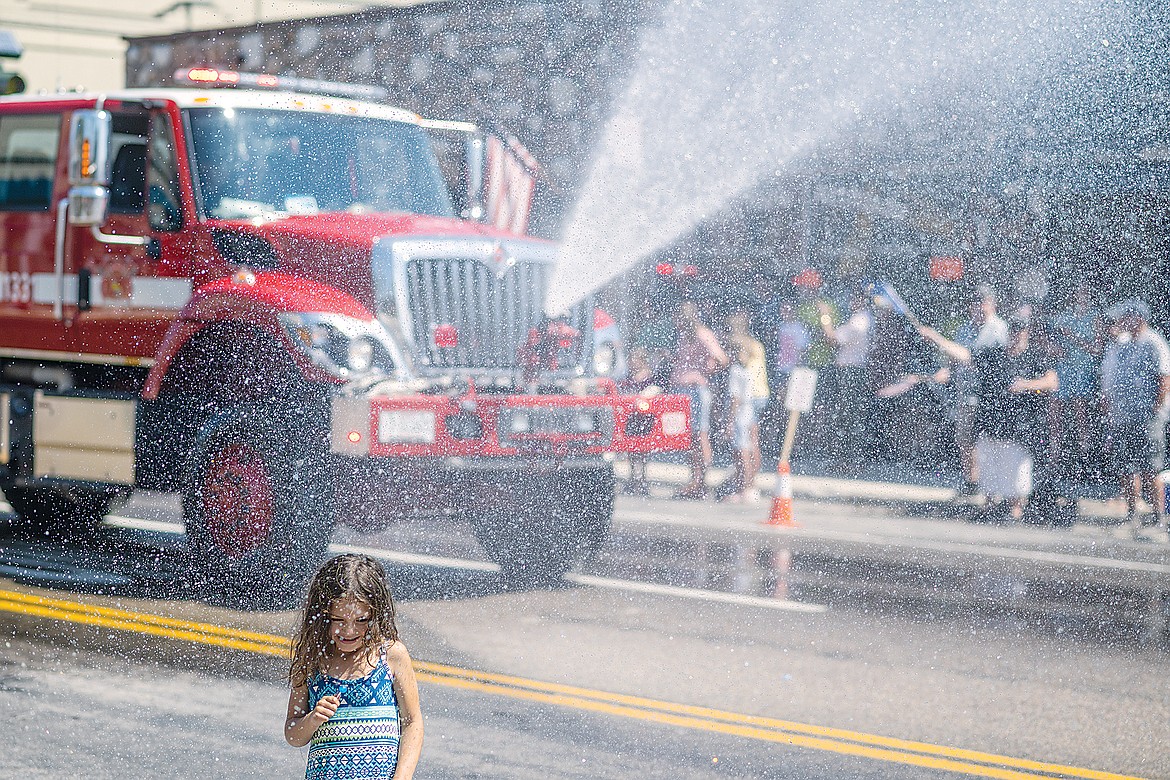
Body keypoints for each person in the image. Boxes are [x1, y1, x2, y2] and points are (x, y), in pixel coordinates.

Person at [286, 554, 423, 780]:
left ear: (376, 615)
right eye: (338, 620)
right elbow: (293, 734)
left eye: (361, 620)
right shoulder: (312, 661)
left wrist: (402, 777)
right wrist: (313, 719)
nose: (349, 631)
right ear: (321, 616)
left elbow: (412, 722)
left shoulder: (391, 655)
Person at [917, 286, 1009, 493]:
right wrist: (945, 371)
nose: (980, 307)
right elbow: (955, 359)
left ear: (992, 304)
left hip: (988, 395)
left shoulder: (999, 329)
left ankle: (991, 484)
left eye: (984, 302)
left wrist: (936, 338)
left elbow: (971, 356)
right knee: (965, 438)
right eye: (976, 303)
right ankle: (972, 481)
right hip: (964, 393)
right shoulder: (964, 329)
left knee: (989, 441)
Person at [971, 315, 1058, 521]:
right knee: (991, 465)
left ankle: (1015, 510)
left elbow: (1052, 382)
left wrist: (1027, 386)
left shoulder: (1034, 357)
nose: (1017, 336)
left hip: (1020, 423)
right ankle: (990, 506)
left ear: (1027, 334)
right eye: (1014, 331)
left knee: (1016, 467)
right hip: (993, 419)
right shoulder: (995, 356)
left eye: (1021, 332)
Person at [1100, 299, 1170, 536]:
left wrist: (1155, 409)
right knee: (1127, 468)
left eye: (1125, 318)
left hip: (1147, 417)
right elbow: (1109, 378)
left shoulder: (1154, 343)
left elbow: (1164, 377)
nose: (1121, 323)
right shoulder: (1121, 344)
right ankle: (1133, 515)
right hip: (1123, 416)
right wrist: (1109, 407)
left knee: (1151, 467)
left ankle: (1159, 517)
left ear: (1138, 319)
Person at [670, 300, 729, 499]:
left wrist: (706, 371)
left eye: (679, 317)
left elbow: (722, 358)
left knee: (699, 435)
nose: (676, 321)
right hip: (683, 390)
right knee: (688, 438)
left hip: (695, 391)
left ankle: (701, 481)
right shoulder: (684, 335)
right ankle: (695, 479)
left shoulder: (702, 334)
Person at [816, 288, 874, 473]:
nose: (850, 302)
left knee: (849, 417)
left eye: (854, 298)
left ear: (861, 301)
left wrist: (825, 316)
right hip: (852, 371)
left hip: (852, 372)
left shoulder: (859, 321)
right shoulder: (861, 319)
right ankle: (850, 460)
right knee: (849, 416)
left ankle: (851, 462)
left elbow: (831, 338)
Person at [1049, 284, 1103, 470]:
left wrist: (1073, 338)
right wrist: (1054, 349)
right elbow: (1046, 339)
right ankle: (1055, 455)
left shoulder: (1094, 317)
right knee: (1055, 412)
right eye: (1079, 292)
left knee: (1081, 411)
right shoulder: (1064, 317)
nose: (1082, 297)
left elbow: (1096, 349)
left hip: (1084, 368)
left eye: (1086, 293)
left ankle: (1084, 454)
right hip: (1065, 368)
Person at [721, 313, 770, 502]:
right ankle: (751, 483)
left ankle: (746, 485)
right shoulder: (755, 345)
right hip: (760, 393)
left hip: (745, 401)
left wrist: (729, 421)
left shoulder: (738, 359)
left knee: (743, 446)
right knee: (753, 441)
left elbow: (736, 395)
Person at [618, 346, 661, 496]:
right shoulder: (628, 378)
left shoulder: (649, 379)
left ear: (642, 361)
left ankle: (642, 478)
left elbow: (656, 392)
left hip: (644, 418)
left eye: (634, 360)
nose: (631, 363)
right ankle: (632, 478)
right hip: (631, 417)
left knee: (643, 449)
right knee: (631, 449)